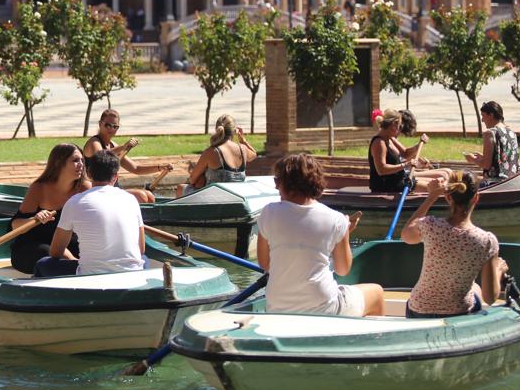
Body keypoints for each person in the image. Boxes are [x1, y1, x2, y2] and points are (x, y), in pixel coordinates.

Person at [258, 154, 384, 316]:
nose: (276, 187)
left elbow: (264, 263)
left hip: (277, 306)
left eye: (277, 181)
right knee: (377, 293)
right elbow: (343, 270)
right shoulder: (336, 220)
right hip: (324, 307)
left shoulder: (269, 212)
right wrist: (344, 233)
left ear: (286, 183)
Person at [401, 172, 507, 318]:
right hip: (458, 313)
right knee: (475, 288)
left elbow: (406, 236)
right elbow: (490, 298)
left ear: (448, 197)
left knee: (473, 288)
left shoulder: (430, 226)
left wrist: (432, 196)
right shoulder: (487, 241)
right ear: (476, 198)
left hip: (418, 309)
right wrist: (499, 270)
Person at [34, 150, 146, 278]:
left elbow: (55, 252)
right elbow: (141, 249)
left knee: (43, 264)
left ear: (89, 173)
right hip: (132, 273)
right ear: (116, 177)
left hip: (90, 276)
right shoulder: (131, 199)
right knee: (145, 259)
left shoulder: (74, 202)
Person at [8, 143, 86, 274]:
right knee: (52, 255)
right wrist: (35, 218)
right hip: (33, 246)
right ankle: (78, 272)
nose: (81, 164)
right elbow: (15, 226)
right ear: (58, 163)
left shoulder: (85, 188)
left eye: (82, 160)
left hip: (67, 244)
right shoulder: (39, 188)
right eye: (75, 160)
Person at [82, 109, 168, 204]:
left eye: (115, 126)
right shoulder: (94, 142)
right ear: (100, 124)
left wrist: (160, 167)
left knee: (150, 196)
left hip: (113, 189)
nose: (111, 129)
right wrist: (123, 147)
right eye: (108, 125)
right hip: (98, 190)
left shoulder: (113, 145)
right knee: (142, 196)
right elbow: (102, 156)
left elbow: (136, 169)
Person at [368, 109, 451, 194]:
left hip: (401, 179)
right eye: (399, 126)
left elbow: (406, 153)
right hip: (390, 186)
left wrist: (419, 144)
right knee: (440, 189)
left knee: (443, 181)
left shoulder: (390, 139)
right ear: (393, 125)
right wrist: (406, 164)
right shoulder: (379, 143)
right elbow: (381, 170)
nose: (399, 131)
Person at [179, 114, 258, 197]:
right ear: (234, 131)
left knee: (181, 188)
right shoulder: (243, 150)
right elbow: (254, 154)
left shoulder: (212, 151)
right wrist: (243, 140)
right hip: (237, 198)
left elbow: (192, 179)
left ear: (217, 129)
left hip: (212, 200)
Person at [464, 101, 520, 184]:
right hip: (511, 181)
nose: (482, 120)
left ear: (491, 115)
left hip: (494, 184)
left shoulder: (489, 133)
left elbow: (486, 165)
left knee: (463, 181)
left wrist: (472, 159)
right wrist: (484, 157)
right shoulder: (512, 133)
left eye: (483, 116)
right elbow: (505, 159)